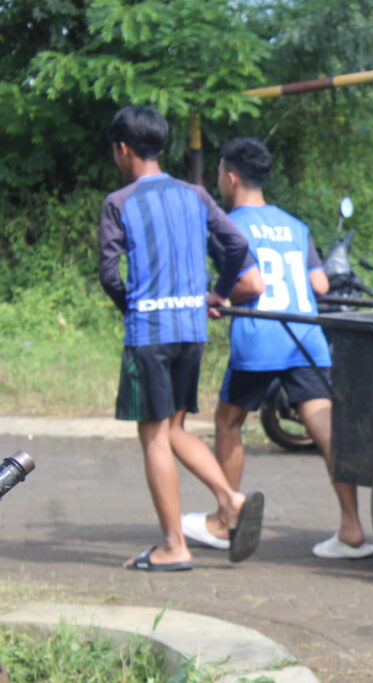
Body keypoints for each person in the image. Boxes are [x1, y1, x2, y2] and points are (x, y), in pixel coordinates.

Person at [181, 137, 373, 560]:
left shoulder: (227, 224)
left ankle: (224, 520)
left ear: (231, 178)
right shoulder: (294, 226)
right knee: (325, 428)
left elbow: (251, 284)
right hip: (305, 336)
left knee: (229, 421)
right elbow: (319, 283)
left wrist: (220, 297)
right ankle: (352, 528)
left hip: (262, 337)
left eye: (220, 174)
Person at [98, 105, 265, 571]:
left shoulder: (119, 202)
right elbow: (237, 246)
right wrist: (218, 292)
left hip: (150, 332)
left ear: (123, 149)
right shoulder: (195, 195)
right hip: (192, 330)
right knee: (174, 428)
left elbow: (109, 274)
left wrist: (131, 307)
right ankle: (230, 499)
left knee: (153, 435)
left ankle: (174, 545)